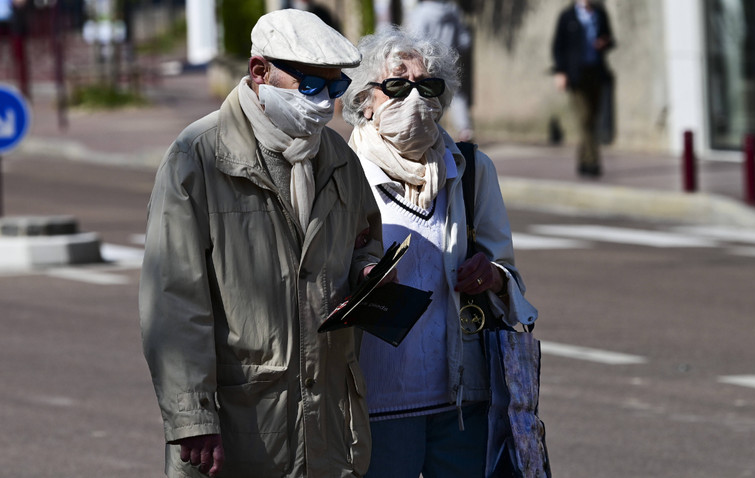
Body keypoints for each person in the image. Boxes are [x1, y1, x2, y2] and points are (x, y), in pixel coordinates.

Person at [139, 9, 385, 478]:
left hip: (328, 424)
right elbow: (172, 301)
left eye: (335, 89)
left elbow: (364, 240)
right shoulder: (199, 158)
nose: (325, 104)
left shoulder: (337, 158)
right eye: (311, 86)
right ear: (260, 73)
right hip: (239, 426)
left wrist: (368, 272)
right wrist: (192, 418)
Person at [340, 27, 538, 477]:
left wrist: (491, 275)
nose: (414, 99)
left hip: (462, 401)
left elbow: (507, 272)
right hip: (375, 402)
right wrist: (362, 273)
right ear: (364, 100)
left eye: (427, 87)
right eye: (396, 85)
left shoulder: (469, 169)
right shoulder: (342, 171)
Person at [552, 0, 615, 177]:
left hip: (596, 72)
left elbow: (610, 39)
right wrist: (560, 72)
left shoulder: (599, 15)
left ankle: (583, 160)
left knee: (592, 118)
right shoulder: (568, 16)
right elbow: (558, 47)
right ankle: (593, 162)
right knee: (585, 118)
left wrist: (605, 42)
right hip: (575, 76)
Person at [404, 0, 474, 142]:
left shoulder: (421, 12)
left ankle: (434, 133)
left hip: (428, 61)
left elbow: (414, 39)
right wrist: (455, 52)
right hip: (450, 59)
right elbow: (465, 39)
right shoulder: (453, 10)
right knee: (456, 94)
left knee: (428, 96)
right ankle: (465, 130)